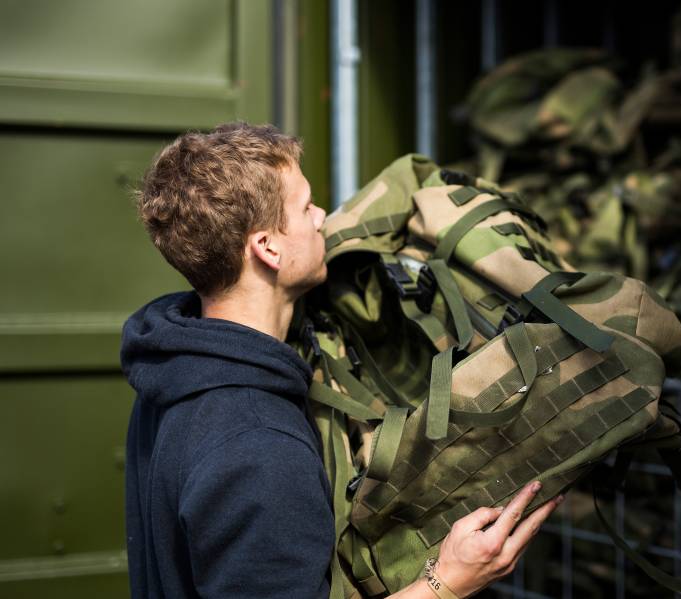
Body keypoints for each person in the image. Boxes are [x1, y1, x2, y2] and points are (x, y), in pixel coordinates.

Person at [121, 122, 561, 599]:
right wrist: (449, 581)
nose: (321, 217)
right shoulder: (257, 445)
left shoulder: (178, 372)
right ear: (267, 247)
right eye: (306, 206)